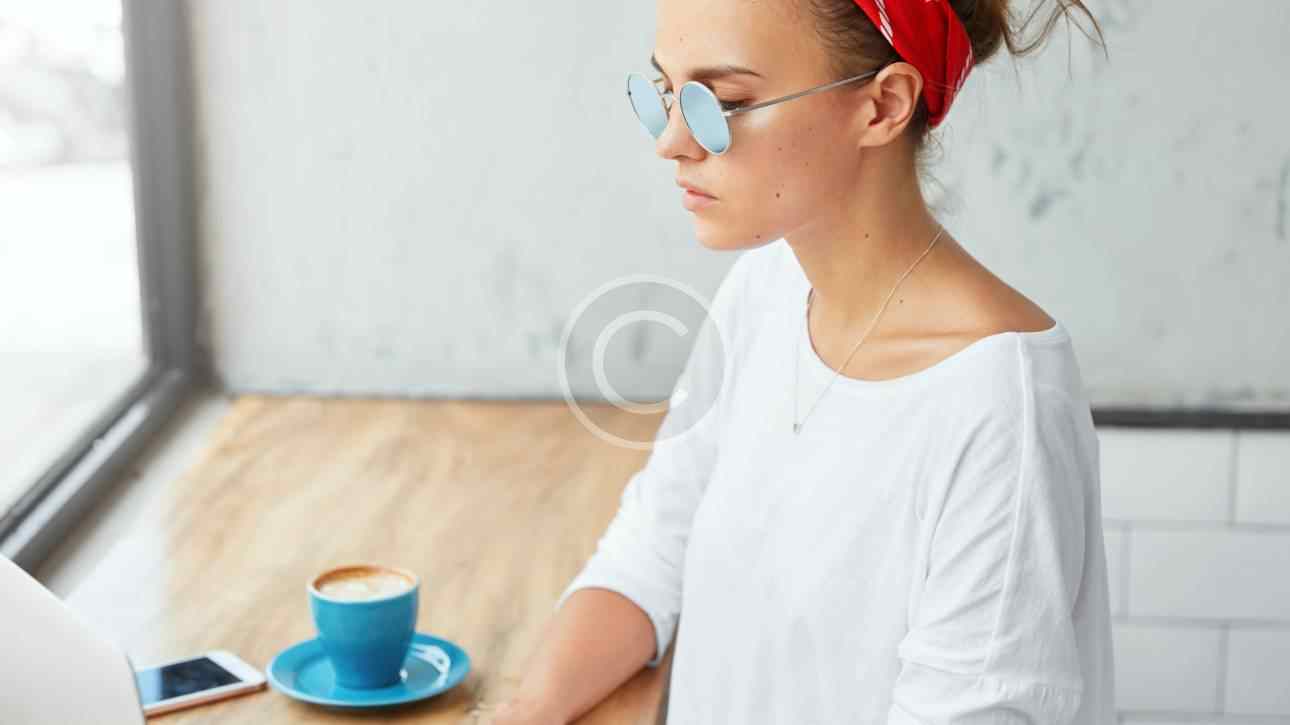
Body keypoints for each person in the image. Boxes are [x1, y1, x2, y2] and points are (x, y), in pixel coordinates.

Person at [493, 0, 1110, 722]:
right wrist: (523, 713)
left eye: (722, 102)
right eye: (666, 92)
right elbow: (652, 547)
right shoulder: (767, 288)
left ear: (883, 106)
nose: (671, 142)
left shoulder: (1003, 406)